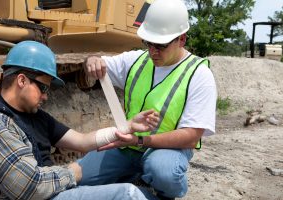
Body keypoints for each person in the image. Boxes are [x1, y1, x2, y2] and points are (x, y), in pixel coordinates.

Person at [0, 41, 161, 200]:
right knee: (126, 195)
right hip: (32, 194)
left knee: (121, 173)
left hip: (45, 189)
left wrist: (126, 127)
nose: (46, 96)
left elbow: (81, 141)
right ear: (21, 80)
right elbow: (30, 187)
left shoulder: (35, 116)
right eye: (43, 88)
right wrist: (74, 171)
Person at [78, 0, 217, 199]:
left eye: (160, 45)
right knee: (82, 178)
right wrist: (91, 60)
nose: (153, 51)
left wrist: (141, 140)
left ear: (182, 39)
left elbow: (192, 136)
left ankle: (162, 194)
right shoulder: (137, 60)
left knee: (164, 173)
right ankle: (135, 176)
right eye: (148, 43)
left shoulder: (199, 75)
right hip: (127, 146)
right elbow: (95, 62)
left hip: (166, 150)